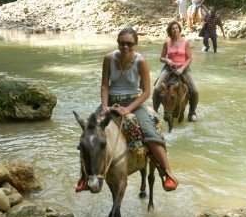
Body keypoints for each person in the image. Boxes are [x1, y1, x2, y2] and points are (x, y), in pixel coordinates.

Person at [76, 27, 178, 193]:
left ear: (135, 44)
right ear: (118, 43)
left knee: (150, 133)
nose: (125, 46)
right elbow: (104, 85)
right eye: (122, 43)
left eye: (129, 43)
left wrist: (128, 109)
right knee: (88, 135)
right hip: (110, 101)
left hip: (133, 102)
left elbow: (146, 92)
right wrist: (104, 105)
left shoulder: (140, 61)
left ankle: (168, 175)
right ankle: (83, 177)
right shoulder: (109, 58)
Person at [153, 21, 199, 122]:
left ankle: (192, 112)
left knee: (194, 90)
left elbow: (189, 59)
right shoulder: (167, 43)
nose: (175, 30)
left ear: (179, 29)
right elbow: (161, 58)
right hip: (169, 68)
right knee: (157, 88)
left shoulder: (185, 42)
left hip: (183, 68)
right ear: (170, 31)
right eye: (173, 28)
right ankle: (154, 112)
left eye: (176, 28)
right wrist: (167, 60)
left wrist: (182, 69)